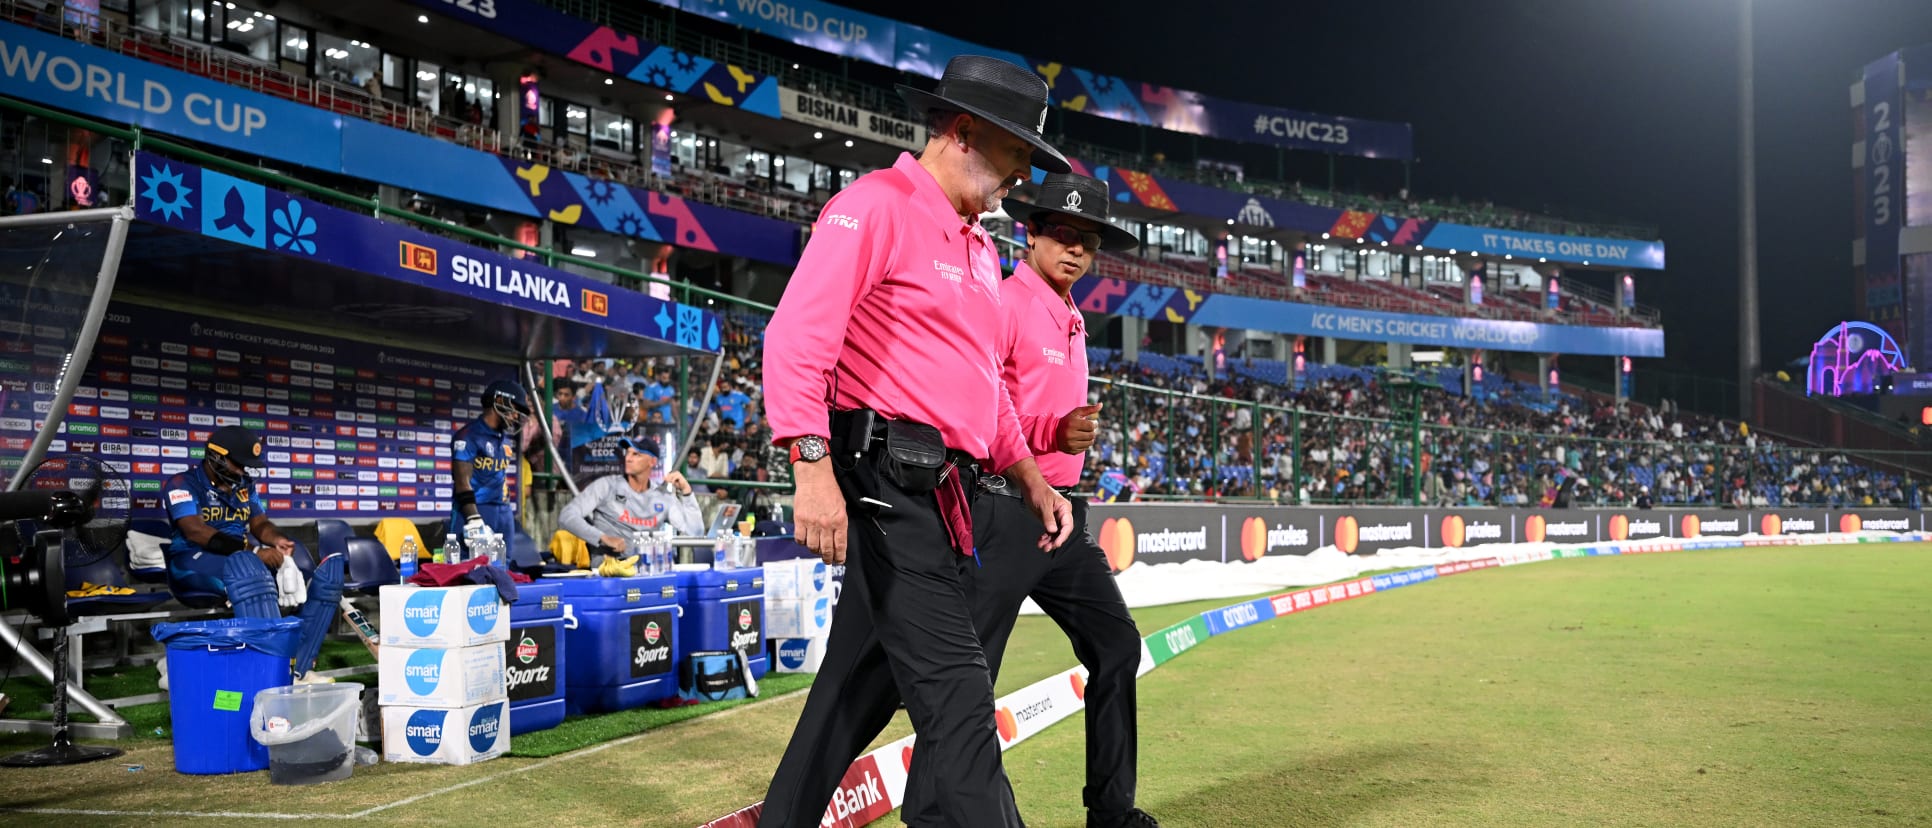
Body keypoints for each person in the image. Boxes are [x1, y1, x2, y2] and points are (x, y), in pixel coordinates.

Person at [757, 55, 1073, 828]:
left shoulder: (976, 247)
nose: (1020, 176)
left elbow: (983, 387)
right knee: (962, 700)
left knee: (852, 695)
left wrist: (1030, 475)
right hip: (883, 483)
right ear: (964, 131)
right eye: (1017, 155)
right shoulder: (874, 206)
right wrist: (811, 469)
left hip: (943, 493)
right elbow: (796, 339)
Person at [914, 172, 1157, 827]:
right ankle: (932, 815)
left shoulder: (1072, 313)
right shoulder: (1005, 300)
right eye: (1063, 234)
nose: (1075, 249)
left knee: (1117, 648)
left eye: (1088, 241)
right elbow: (978, 403)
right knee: (969, 679)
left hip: (1064, 516)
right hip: (1001, 509)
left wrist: (1063, 440)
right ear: (1033, 232)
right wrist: (1053, 433)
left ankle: (1111, 812)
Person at [164, 426, 344, 683]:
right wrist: (254, 551)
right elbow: (195, 532)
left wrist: (276, 540)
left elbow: (259, 523)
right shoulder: (182, 483)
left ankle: (299, 667)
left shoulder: (245, 486)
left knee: (310, 579)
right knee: (250, 573)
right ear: (217, 456)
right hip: (191, 561)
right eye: (238, 464)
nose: (242, 471)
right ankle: (267, 672)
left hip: (241, 558)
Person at [558, 434, 702, 556]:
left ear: (652, 462)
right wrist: (602, 538)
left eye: (636, 454)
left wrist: (687, 493)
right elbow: (567, 516)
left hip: (645, 569)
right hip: (609, 570)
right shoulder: (606, 486)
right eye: (627, 452)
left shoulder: (662, 497)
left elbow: (696, 532)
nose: (628, 458)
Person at [449, 380, 532, 560]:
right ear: (500, 402)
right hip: (475, 509)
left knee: (504, 568)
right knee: (466, 567)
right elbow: (462, 482)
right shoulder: (468, 436)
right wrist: (473, 519)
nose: (516, 417)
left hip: (502, 510)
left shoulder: (504, 440)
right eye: (514, 409)